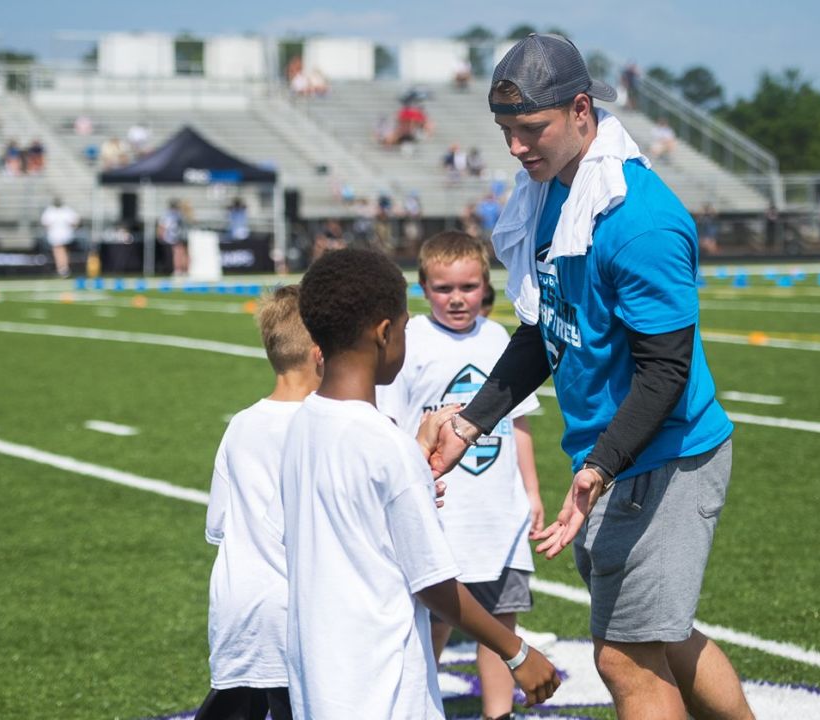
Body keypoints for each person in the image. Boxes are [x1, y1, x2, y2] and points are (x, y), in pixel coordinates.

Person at [431, 33, 753, 720]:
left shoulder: (640, 221)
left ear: (583, 110)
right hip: (613, 453)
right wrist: (468, 423)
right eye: (506, 131)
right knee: (661, 637)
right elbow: (543, 331)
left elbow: (666, 371)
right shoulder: (551, 191)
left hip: (664, 454)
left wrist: (601, 467)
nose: (516, 147)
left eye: (530, 129)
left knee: (624, 656)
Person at [281, 248, 560, 719]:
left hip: (322, 674)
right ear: (386, 332)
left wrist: (413, 454)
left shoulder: (305, 422)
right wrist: (516, 652)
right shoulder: (385, 447)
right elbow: (433, 583)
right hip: (383, 687)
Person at [377, 232, 545, 720]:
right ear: (424, 287)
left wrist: (531, 492)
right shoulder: (411, 344)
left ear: (486, 287)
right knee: (433, 621)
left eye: (469, 287)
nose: (457, 298)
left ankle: (499, 715)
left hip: (499, 512)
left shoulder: (501, 340)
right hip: (441, 509)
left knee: (500, 626)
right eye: (444, 288)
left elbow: (518, 423)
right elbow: (394, 423)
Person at [196, 286, 320, 720]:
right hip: (302, 610)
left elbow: (218, 525)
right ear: (322, 353)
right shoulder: (328, 426)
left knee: (237, 703)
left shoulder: (241, 426)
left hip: (239, 606)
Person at [40, 197, 80, 278]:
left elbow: (75, 221)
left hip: (63, 235)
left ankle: (63, 269)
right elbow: (45, 223)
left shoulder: (65, 210)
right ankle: (63, 269)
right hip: (56, 235)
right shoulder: (51, 210)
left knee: (60, 252)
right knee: (60, 252)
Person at [157, 200, 188, 277]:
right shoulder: (177, 214)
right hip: (175, 236)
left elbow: (162, 226)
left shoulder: (169, 214)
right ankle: (181, 270)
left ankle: (179, 270)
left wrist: (161, 234)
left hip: (173, 236)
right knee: (180, 253)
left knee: (178, 253)